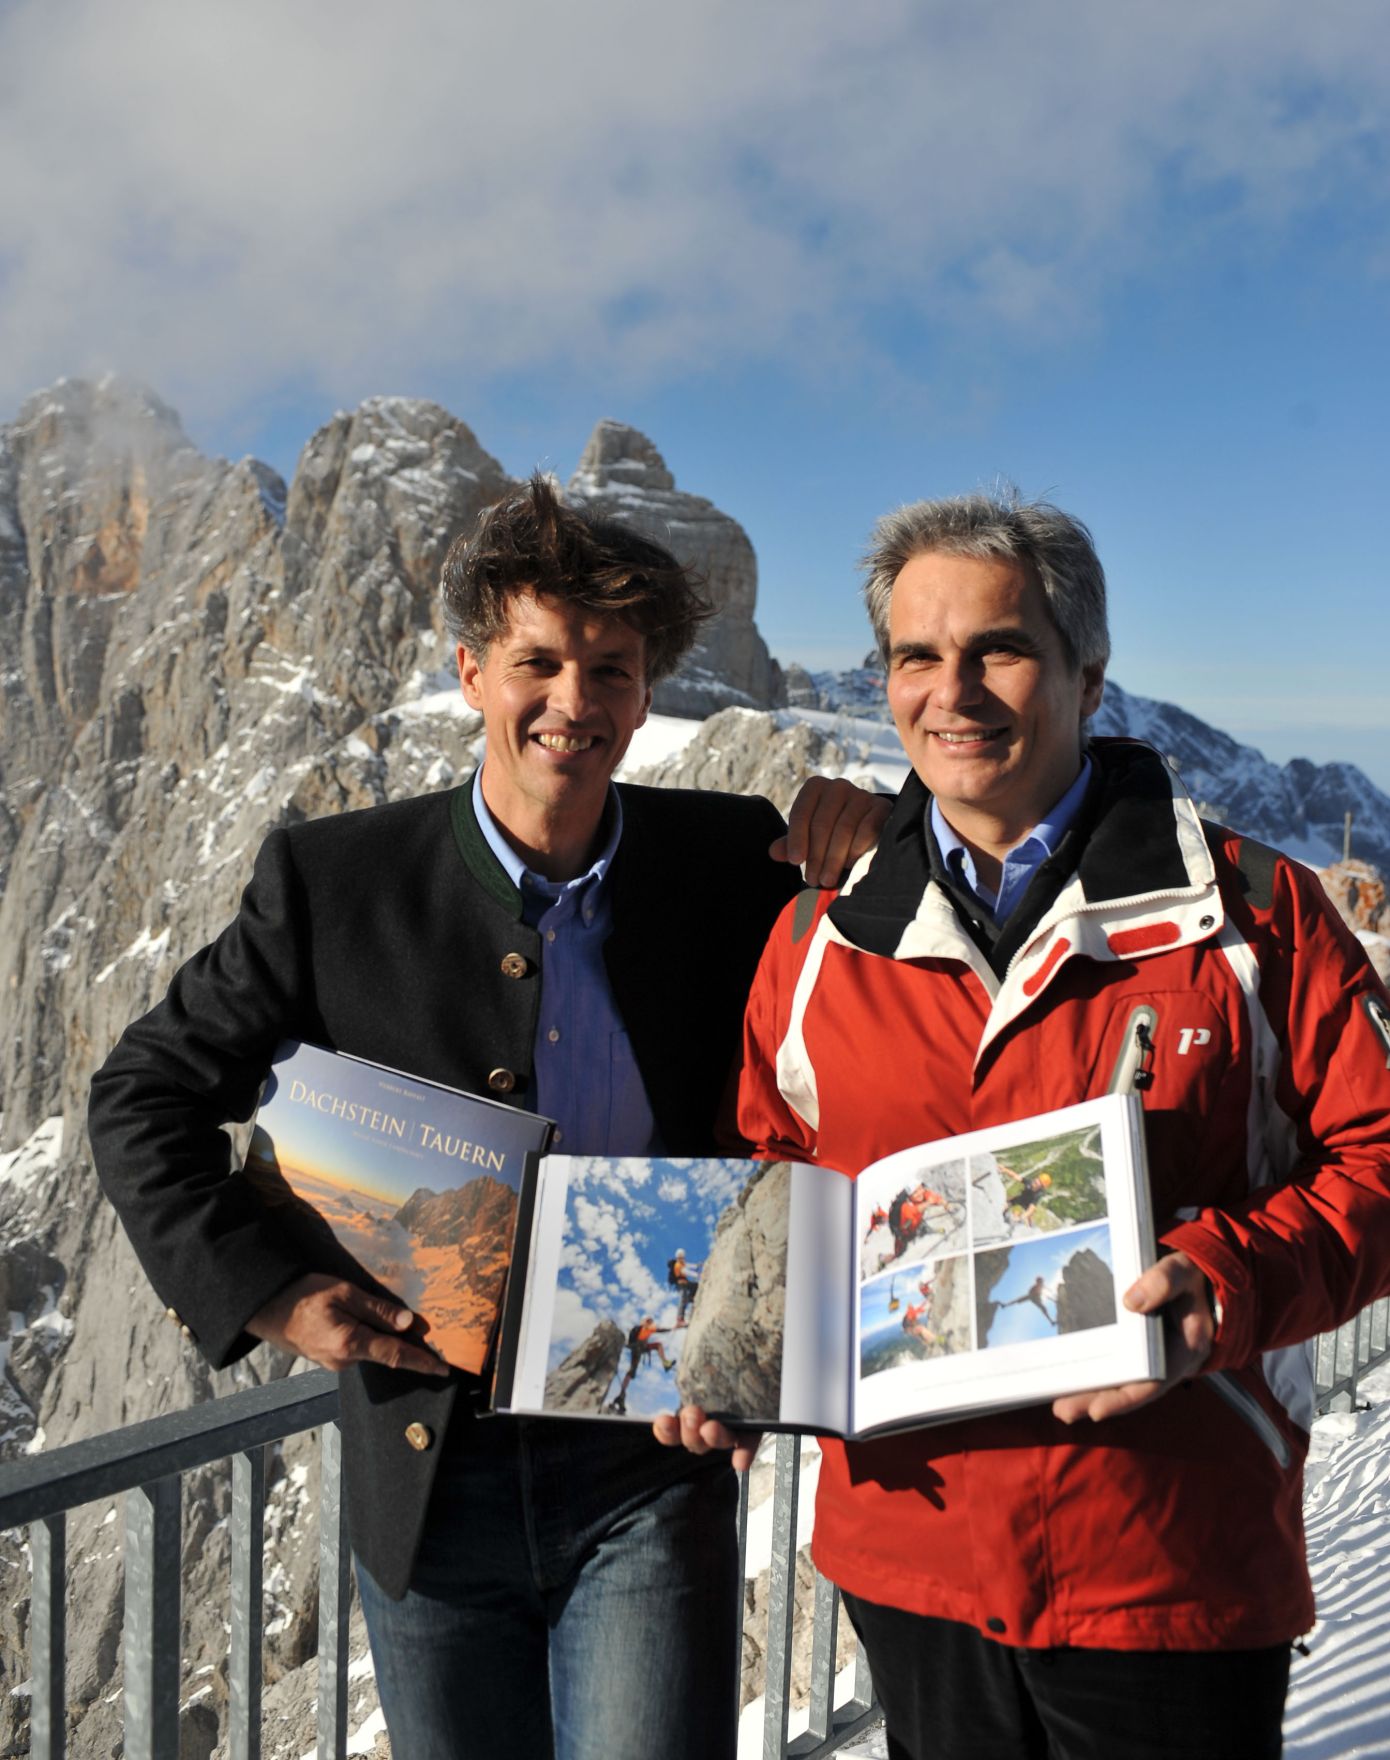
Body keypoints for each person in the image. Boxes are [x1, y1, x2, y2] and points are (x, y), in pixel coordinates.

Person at [88, 474, 888, 1760]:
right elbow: (142, 1093)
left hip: (649, 1467)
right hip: (430, 1484)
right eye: (539, 662)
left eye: (612, 670)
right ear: (472, 670)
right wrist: (273, 1294)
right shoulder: (334, 881)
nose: (574, 702)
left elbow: (914, 961)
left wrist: (888, 829)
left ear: (649, 691)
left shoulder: (732, 861)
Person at [659, 489, 1390, 1760]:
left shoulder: (1252, 914)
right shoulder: (818, 937)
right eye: (914, 656)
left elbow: (1381, 1159)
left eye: (997, 648)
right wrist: (732, 1339)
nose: (954, 692)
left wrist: (1226, 1280)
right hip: (911, 1557)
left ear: (1086, 671)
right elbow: (776, 1175)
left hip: (1168, 1557)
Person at [669, 1248, 701, 1325]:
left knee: (695, 1285)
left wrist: (697, 1265)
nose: (682, 1258)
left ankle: (690, 1298)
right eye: (680, 1257)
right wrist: (697, 1275)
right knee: (682, 1299)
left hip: (685, 1283)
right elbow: (686, 1271)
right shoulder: (677, 1265)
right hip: (680, 1285)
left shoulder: (682, 1263)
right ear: (677, 1257)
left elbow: (690, 1265)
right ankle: (679, 1319)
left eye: (682, 1257)